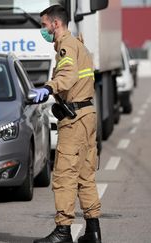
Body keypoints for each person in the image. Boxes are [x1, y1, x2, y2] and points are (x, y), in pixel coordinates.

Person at [32, 5, 102, 243]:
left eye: (44, 25)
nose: (43, 30)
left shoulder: (67, 46)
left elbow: (68, 76)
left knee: (64, 175)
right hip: (87, 115)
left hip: (74, 119)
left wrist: (48, 88)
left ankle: (63, 231)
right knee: (85, 174)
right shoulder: (79, 45)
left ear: (56, 24)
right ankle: (93, 231)